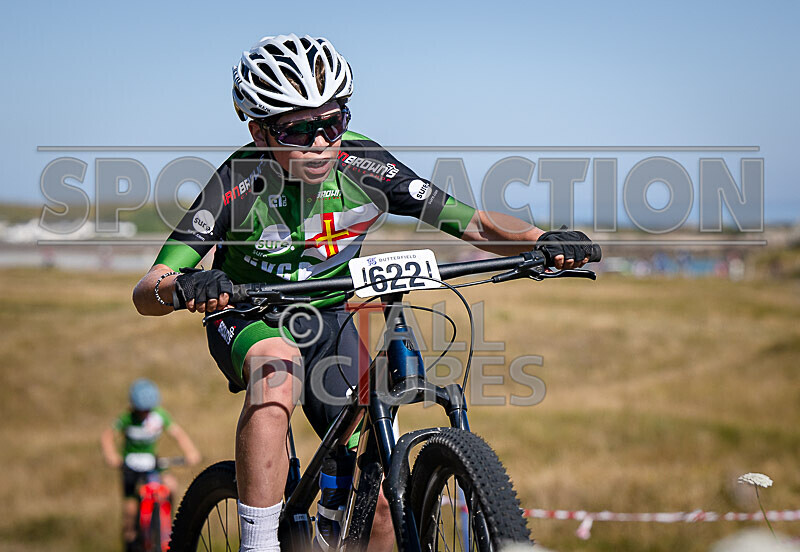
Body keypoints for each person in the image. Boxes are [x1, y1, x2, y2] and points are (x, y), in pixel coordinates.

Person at [132, 34, 598, 552]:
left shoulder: (365, 164)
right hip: (250, 317)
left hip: (332, 313)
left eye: (332, 123)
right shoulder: (237, 181)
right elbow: (147, 289)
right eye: (298, 130)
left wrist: (543, 241)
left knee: (375, 503)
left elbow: (471, 222)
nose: (320, 142)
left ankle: (340, 504)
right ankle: (259, 543)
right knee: (276, 370)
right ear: (258, 131)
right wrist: (186, 285)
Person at [101, 378, 201, 551]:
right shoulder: (127, 418)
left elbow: (177, 433)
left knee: (171, 485)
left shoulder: (159, 416)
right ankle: (131, 540)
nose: (144, 414)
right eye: (141, 410)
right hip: (131, 466)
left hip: (152, 463)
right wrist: (112, 456)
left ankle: (168, 522)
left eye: (147, 410)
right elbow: (108, 435)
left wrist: (191, 452)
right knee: (130, 513)